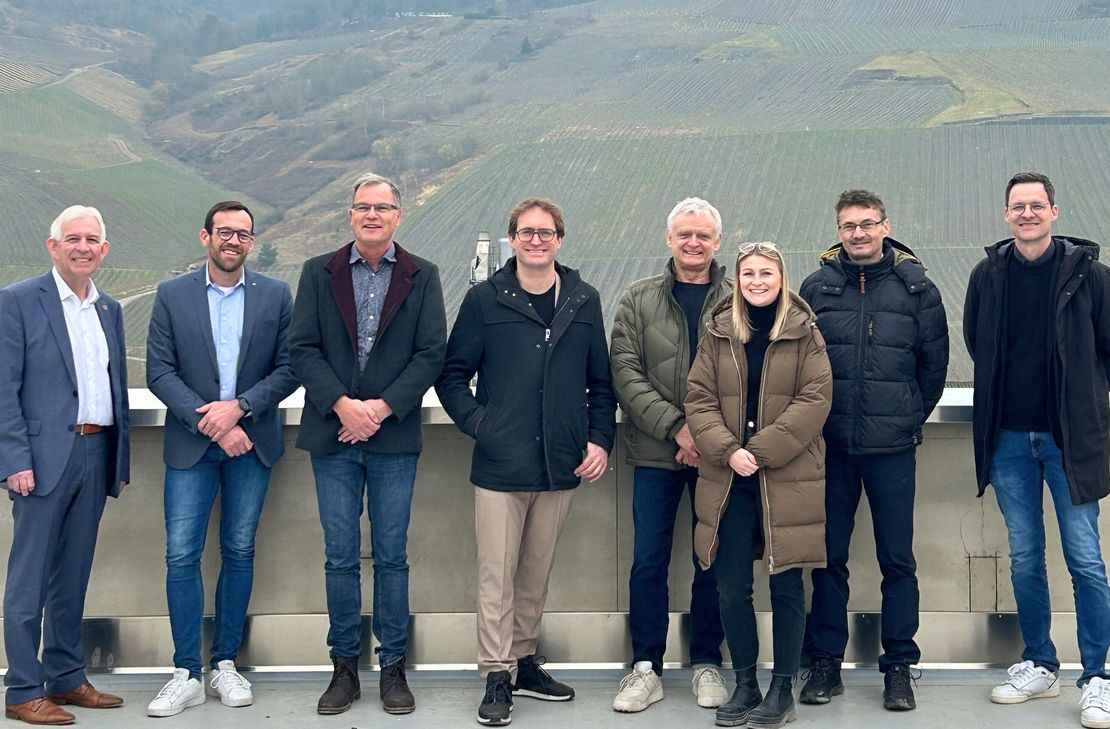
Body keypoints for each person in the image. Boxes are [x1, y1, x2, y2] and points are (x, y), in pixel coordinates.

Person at [436, 197, 616, 726]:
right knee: (497, 573)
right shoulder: (484, 300)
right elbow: (451, 376)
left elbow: (601, 383)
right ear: (511, 239)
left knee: (535, 572)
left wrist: (599, 440)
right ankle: (496, 674)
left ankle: (524, 659)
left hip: (561, 462)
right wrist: (482, 425)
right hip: (500, 462)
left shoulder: (583, 300)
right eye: (526, 232)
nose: (536, 240)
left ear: (560, 239)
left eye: (546, 232)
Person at [289, 172, 446, 716]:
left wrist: (378, 409)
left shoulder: (423, 275)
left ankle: (394, 667)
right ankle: (344, 669)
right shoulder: (317, 272)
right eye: (363, 207)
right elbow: (302, 348)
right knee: (338, 558)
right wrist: (343, 405)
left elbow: (431, 353)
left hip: (393, 435)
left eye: (382, 207)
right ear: (350, 215)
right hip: (333, 433)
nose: (372, 215)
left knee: (392, 557)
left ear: (399, 215)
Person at [964, 171, 1110, 729]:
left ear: (1054, 211)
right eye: (1017, 206)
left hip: (1070, 440)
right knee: (1025, 555)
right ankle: (1040, 663)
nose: (1027, 214)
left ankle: (1096, 676)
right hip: (1007, 439)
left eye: (1036, 205)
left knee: (1085, 558)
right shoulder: (988, 275)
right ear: (1006, 214)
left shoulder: (1091, 277)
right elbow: (979, 342)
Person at [145, 201, 298, 716]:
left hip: (251, 444)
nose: (233, 241)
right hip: (193, 445)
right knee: (181, 555)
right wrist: (209, 420)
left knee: (240, 550)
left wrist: (241, 410)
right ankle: (186, 670)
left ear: (252, 243)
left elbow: (290, 366)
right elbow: (159, 371)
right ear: (205, 236)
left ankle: (225, 663)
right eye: (225, 232)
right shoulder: (172, 294)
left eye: (244, 234)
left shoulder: (276, 295)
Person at [798, 189, 948, 711]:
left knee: (897, 560)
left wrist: (906, 418)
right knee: (827, 559)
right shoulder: (816, 288)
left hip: (891, 450)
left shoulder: (917, 290)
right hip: (829, 448)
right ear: (838, 230)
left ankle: (899, 666)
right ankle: (824, 664)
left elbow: (933, 369)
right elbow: (796, 366)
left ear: (886, 226)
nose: (858, 233)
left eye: (867, 224)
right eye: (848, 225)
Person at [685, 241, 832, 729]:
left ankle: (782, 686)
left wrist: (759, 451)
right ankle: (745, 682)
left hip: (785, 477)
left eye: (766, 273)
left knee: (787, 584)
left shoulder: (805, 332)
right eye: (748, 273)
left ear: (781, 277)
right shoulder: (718, 332)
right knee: (730, 588)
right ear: (738, 279)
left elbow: (815, 399)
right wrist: (729, 451)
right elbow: (699, 397)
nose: (757, 281)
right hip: (728, 478)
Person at [0, 205, 130, 725]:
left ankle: (67, 677)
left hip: (94, 454)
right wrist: (15, 459)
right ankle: (23, 688)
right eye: (72, 238)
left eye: (92, 239)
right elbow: (3, 388)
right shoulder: (17, 302)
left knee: (73, 575)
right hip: (41, 460)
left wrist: (116, 459)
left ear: (104, 249)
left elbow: (113, 387)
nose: (83, 247)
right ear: (52, 247)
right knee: (28, 580)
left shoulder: (109, 309)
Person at [609, 197, 730, 713]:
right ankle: (646, 668)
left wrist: (707, 437)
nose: (694, 243)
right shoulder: (638, 299)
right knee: (649, 560)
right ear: (668, 238)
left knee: (713, 559)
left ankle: (707, 662)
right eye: (684, 234)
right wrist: (679, 429)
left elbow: (751, 372)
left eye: (703, 235)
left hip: (719, 455)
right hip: (656, 451)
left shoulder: (737, 297)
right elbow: (625, 372)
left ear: (717, 242)